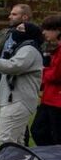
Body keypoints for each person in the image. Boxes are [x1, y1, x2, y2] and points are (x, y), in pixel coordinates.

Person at [31, 15, 61, 146]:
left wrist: (42, 71)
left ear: (58, 30)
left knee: (55, 134)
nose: (43, 32)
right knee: (39, 130)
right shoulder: (57, 50)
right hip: (49, 98)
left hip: (57, 101)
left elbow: (56, 75)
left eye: (47, 29)